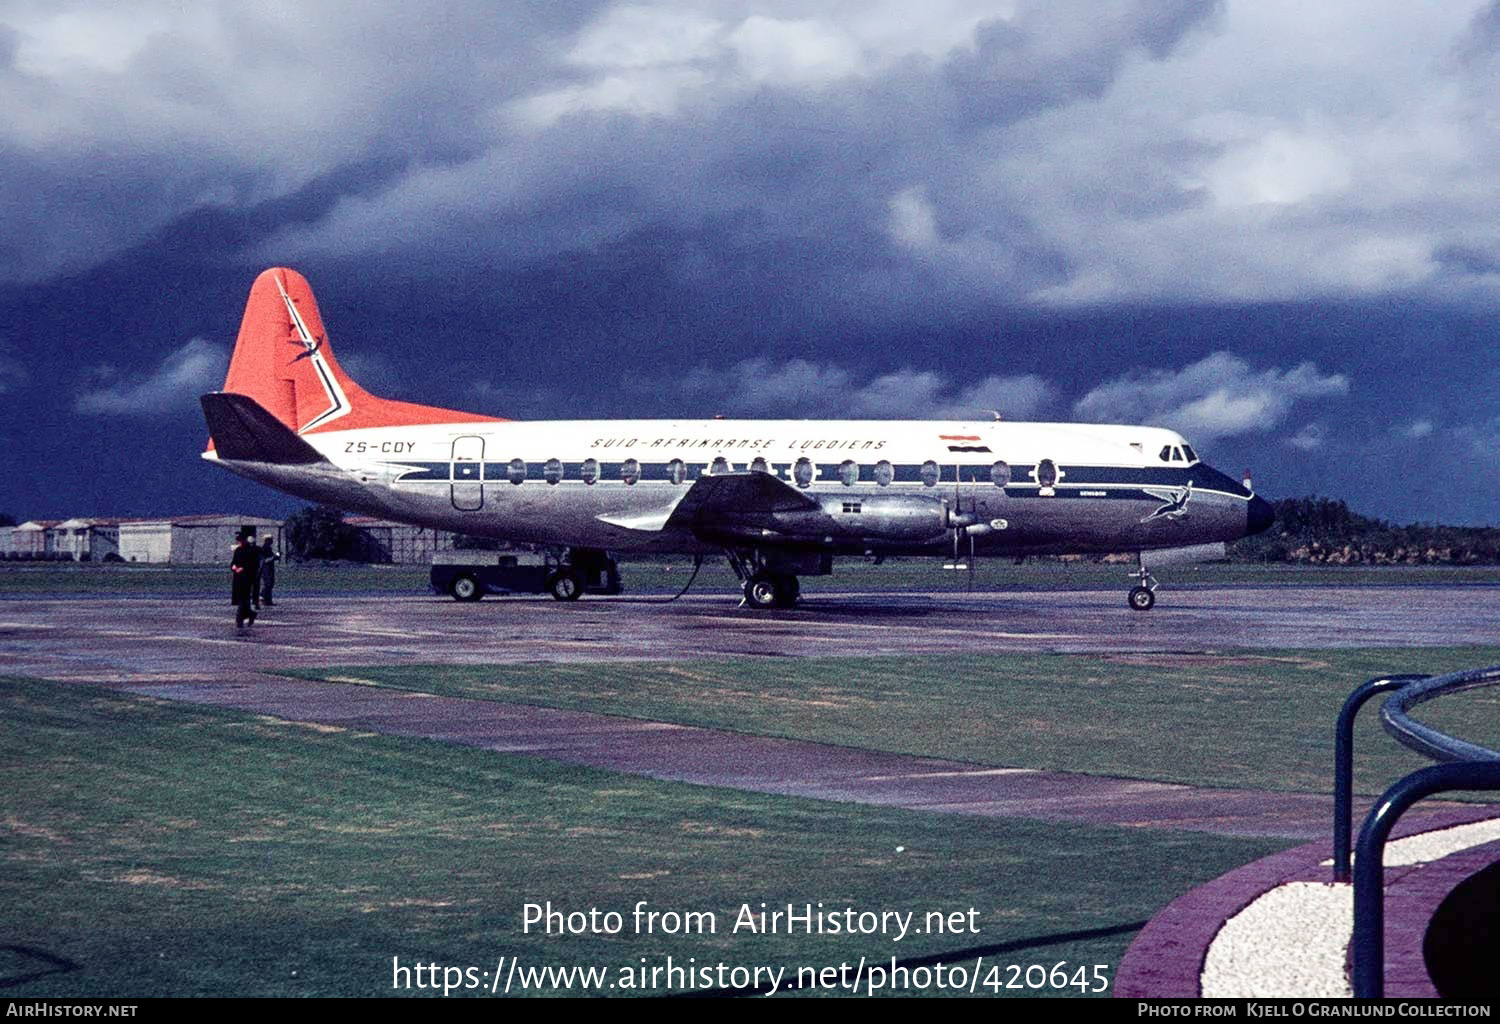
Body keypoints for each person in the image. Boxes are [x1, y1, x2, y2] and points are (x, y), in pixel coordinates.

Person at [230, 530, 261, 627]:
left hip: (247, 578)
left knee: (244, 599)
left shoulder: (251, 551)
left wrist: (243, 568)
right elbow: (233, 562)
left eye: (241, 540)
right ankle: (251, 614)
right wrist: (234, 567)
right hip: (238, 577)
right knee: (241, 598)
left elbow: (253, 564)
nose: (239, 542)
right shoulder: (238, 550)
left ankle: (239, 619)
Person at [258, 535, 279, 606]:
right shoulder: (264, 549)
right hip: (266, 569)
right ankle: (262, 596)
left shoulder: (269, 549)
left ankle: (268, 601)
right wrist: (274, 557)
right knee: (268, 583)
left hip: (270, 568)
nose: (272, 541)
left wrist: (276, 557)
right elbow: (265, 560)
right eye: (270, 540)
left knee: (271, 583)